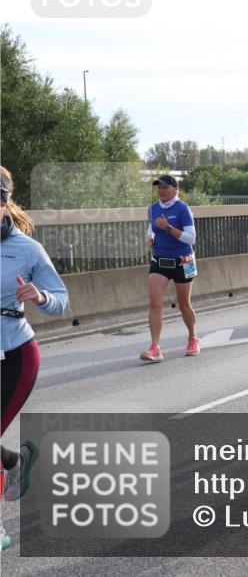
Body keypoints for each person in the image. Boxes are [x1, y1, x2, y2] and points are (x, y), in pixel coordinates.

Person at [1, 166, 70, 551]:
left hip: (15, 354)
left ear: (3, 201)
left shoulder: (27, 249)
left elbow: (62, 300)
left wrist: (40, 297)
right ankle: (14, 461)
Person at [140, 175, 200, 362]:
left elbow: (191, 238)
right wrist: (150, 238)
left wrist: (168, 228)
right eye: (159, 187)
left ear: (176, 189)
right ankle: (155, 347)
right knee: (155, 303)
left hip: (182, 259)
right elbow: (151, 229)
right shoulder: (153, 209)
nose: (162, 190)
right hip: (160, 259)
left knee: (184, 304)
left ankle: (192, 337)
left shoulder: (182, 208)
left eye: (166, 186)